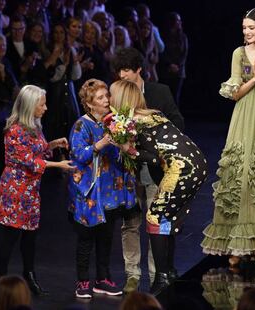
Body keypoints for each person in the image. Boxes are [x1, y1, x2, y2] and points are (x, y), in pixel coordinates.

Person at [201, 8, 255, 267]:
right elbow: (235, 92)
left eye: (251, 28)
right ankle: (237, 243)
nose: (247, 33)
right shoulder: (239, 53)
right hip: (244, 114)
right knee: (240, 171)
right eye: (244, 29)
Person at [109, 79, 207, 295]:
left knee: (155, 218)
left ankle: (162, 277)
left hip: (182, 169)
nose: (109, 101)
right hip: (196, 164)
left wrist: (128, 149)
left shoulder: (135, 122)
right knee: (167, 220)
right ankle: (169, 272)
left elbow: (154, 159)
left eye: (111, 96)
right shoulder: (151, 114)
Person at [111, 47, 184, 293]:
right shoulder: (117, 95)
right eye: (119, 70)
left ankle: (157, 275)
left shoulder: (159, 92)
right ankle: (132, 275)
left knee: (157, 223)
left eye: (127, 70)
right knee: (130, 224)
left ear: (139, 69)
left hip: (155, 171)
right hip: (129, 173)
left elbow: (178, 124)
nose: (122, 75)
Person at [0, 85, 75, 295]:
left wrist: (53, 144)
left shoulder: (34, 126)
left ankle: (29, 274)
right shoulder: (14, 130)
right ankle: (1, 276)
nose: (46, 108)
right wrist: (59, 165)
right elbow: (29, 161)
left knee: (30, 235)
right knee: (11, 234)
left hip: (30, 189)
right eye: (42, 104)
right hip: (16, 188)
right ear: (30, 106)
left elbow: (37, 150)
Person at [69, 79, 136, 299]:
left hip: (110, 190)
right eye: (100, 97)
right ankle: (82, 281)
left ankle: (102, 278)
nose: (106, 100)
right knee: (87, 237)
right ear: (89, 104)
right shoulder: (82, 124)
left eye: (106, 95)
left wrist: (122, 143)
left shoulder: (111, 122)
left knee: (106, 236)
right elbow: (78, 154)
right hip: (90, 190)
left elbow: (117, 157)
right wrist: (101, 144)